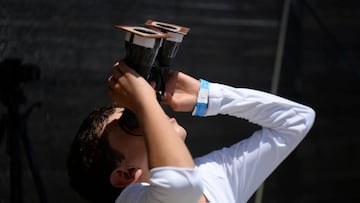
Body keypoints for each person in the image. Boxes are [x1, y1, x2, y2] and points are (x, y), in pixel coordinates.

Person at [67, 60, 315, 203]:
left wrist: (207, 96)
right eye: (133, 120)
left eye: (136, 112)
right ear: (125, 174)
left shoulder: (212, 175)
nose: (150, 115)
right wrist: (144, 101)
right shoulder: (132, 199)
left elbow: (296, 121)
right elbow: (180, 185)